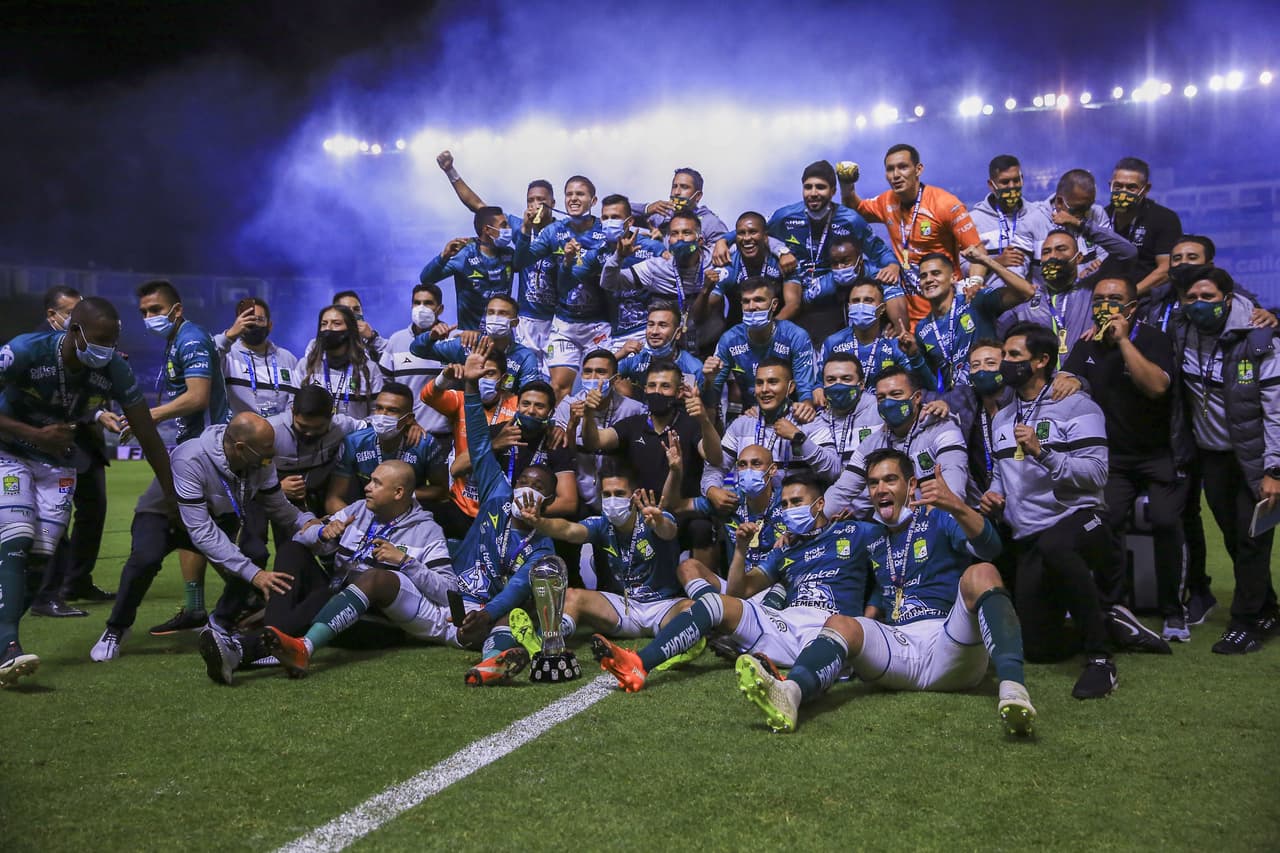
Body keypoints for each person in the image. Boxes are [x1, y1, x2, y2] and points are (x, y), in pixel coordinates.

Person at [735, 449, 1035, 736]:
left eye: (890, 480)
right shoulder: (873, 535)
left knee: (981, 573)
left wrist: (956, 505)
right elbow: (860, 568)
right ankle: (789, 693)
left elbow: (991, 548)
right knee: (840, 622)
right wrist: (794, 535)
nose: (880, 489)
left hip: (949, 642)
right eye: (873, 483)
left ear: (911, 485)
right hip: (900, 647)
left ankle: (1013, 690)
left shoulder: (938, 518)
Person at [0, 298, 176, 685]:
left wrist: (171, 492)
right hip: (9, 451)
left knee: (39, 559)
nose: (106, 349)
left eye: (112, 341)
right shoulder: (24, 351)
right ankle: (8, 646)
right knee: (17, 538)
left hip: (59, 464)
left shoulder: (113, 367)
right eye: (99, 340)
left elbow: (146, 431)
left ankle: (3, 635)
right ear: (73, 331)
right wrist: (34, 434)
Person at [590, 470, 879, 692]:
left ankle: (788, 684)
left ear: (819, 505)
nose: (790, 509)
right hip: (785, 623)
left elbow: (892, 557)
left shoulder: (856, 532)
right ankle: (639, 664)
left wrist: (870, 619)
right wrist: (740, 550)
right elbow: (741, 592)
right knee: (716, 604)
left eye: (797, 502)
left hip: (830, 628)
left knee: (821, 650)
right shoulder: (786, 549)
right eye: (787, 503)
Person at [980, 323, 1129, 698]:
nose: (1005, 363)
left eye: (1015, 356)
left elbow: (1096, 475)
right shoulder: (1002, 417)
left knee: (1056, 545)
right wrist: (994, 495)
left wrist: (1044, 454)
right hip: (1031, 533)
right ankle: (1107, 622)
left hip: (1083, 519)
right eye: (1005, 355)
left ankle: (1101, 660)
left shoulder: (1077, 405)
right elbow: (1001, 473)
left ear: (1042, 360)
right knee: (1039, 649)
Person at [91, 413, 310, 662]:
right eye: (266, 451)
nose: (271, 457)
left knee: (256, 553)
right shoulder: (191, 458)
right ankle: (117, 628)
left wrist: (308, 521)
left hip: (218, 516)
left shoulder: (260, 461)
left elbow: (279, 507)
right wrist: (255, 575)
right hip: (164, 516)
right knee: (144, 559)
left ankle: (220, 624)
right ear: (240, 447)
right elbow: (201, 532)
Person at [224, 461, 456, 684]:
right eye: (370, 481)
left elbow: (448, 590)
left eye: (376, 483)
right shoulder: (359, 509)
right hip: (333, 594)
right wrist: (322, 534)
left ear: (398, 493)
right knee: (292, 550)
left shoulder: (427, 532)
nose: (367, 487)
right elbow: (300, 536)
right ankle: (275, 638)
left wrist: (405, 561)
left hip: (375, 620)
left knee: (327, 597)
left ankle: (246, 648)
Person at [1063, 274, 1189, 641]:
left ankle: (1173, 610)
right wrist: (1071, 379)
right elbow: (1068, 379)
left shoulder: (1153, 339)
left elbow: (1156, 387)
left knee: (1166, 522)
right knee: (1105, 524)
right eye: (1099, 300)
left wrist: (1122, 341)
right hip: (1113, 457)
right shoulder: (1086, 344)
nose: (1105, 306)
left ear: (1132, 308)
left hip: (1158, 453)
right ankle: (1111, 605)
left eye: (1114, 299)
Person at [1170, 267, 1279, 654]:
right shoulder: (1181, 329)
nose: (1199, 305)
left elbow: (1276, 409)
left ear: (1228, 299)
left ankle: (1245, 624)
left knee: (1252, 540)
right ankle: (1267, 606)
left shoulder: (1259, 337)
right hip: (1212, 456)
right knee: (1236, 539)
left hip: (1255, 458)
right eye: (1192, 298)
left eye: (1209, 297)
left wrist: (1274, 469)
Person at [450, 341, 560, 685]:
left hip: (484, 611)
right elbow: (479, 442)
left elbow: (514, 590)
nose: (528, 488)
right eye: (524, 481)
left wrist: (487, 613)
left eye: (538, 488)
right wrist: (469, 385)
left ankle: (491, 664)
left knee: (505, 621)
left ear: (550, 500)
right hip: (452, 594)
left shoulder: (544, 547)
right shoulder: (498, 492)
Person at [136, 279, 232, 635]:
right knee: (192, 526)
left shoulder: (190, 338)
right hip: (193, 448)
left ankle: (250, 596)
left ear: (177, 310)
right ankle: (201, 608)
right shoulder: (176, 339)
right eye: (144, 312)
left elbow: (197, 397)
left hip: (206, 450)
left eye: (156, 310)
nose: (149, 317)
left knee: (156, 512)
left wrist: (148, 415)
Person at [519, 461, 686, 642]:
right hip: (624, 608)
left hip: (663, 607)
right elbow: (568, 530)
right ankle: (548, 641)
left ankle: (682, 646)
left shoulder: (656, 517)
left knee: (691, 609)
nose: (612, 500)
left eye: (620, 494)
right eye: (607, 494)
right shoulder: (601, 524)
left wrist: (659, 523)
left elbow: (668, 531)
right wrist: (540, 521)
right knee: (573, 596)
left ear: (635, 495)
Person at [583, 360, 721, 567]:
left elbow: (714, 457)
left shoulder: (690, 425)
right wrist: (588, 414)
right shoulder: (633, 425)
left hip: (679, 512)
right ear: (645, 389)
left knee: (701, 528)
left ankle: (706, 591)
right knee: (607, 525)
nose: (657, 392)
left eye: (665, 386)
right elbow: (595, 441)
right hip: (638, 513)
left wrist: (704, 421)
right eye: (652, 386)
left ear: (678, 392)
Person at [714, 160, 898, 314]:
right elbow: (756, 230)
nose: (813, 193)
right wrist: (724, 240)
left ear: (833, 191)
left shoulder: (851, 220)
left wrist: (892, 265)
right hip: (794, 292)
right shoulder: (785, 216)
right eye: (808, 187)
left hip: (833, 295)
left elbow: (879, 251)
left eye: (820, 187)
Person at [840, 144, 988, 324]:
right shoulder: (886, 201)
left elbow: (977, 250)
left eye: (902, 167)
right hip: (908, 317)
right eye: (890, 169)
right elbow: (855, 210)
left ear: (918, 169)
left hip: (947, 312)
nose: (895, 175)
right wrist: (847, 184)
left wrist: (975, 281)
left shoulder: (946, 204)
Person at [512, 175, 611, 401]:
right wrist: (526, 231)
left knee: (602, 390)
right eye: (569, 194)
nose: (574, 199)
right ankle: (556, 434)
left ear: (593, 201)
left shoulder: (604, 231)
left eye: (580, 194)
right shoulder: (553, 231)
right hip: (565, 323)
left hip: (598, 324)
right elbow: (520, 262)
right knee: (557, 388)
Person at [824, 366, 969, 517]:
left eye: (896, 394)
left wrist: (933, 524)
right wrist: (815, 521)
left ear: (917, 397)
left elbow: (954, 488)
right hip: (898, 528)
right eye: (881, 398)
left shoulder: (942, 427)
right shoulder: (872, 443)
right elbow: (841, 491)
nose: (888, 403)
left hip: (943, 523)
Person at [702, 359, 840, 499]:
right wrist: (711, 490)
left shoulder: (809, 422)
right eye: (759, 383)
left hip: (793, 512)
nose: (764, 389)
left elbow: (833, 471)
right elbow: (715, 468)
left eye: (773, 382)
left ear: (790, 387)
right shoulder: (742, 425)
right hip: (749, 511)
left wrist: (799, 438)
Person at [913, 247, 1034, 391]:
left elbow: (1026, 292)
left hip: (994, 389)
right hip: (958, 403)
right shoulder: (922, 329)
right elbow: (930, 382)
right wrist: (913, 355)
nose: (929, 280)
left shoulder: (974, 300)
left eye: (936, 273)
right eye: (923, 276)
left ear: (953, 278)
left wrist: (986, 261)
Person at [324, 383, 449, 513]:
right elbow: (333, 499)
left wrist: (401, 495)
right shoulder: (354, 442)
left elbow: (442, 490)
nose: (382, 415)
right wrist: (355, 523)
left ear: (409, 419)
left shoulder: (424, 444)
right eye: (378, 408)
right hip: (366, 512)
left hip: (410, 511)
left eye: (392, 410)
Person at [600, 209, 715, 349]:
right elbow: (608, 283)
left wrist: (723, 240)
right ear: (668, 240)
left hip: (710, 343)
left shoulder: (717, 262)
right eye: (674, 233)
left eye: (686, 233)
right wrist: (618, 257)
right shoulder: (656, 268)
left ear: (700, 240)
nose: (679, 238)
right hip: (669, 346)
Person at [702, 278, 817, 413]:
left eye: (758, 300)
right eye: (746, 301)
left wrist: (805, 410)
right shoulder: (730, 340)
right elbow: (712, 396)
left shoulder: (795, 336)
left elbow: (805, 391)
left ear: (774, 305)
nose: (751, 307)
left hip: (790, 410)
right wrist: (709, 381)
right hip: (749, 413)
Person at [554, 349, 644, 511]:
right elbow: (565, 457)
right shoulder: (567, 406)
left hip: (619, 497)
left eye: (601, 372)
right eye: (588, 372)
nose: (593, 378)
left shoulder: (634, 409)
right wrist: (572, 425)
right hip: (579, 494)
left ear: (615, 379)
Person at [1021, 169, 1136, 287]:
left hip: (1086, 292)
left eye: (1088, 206)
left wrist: (1079, 224)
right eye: (1079, 209)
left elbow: (1126, 252)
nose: (1085, 213)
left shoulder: (1096, 213)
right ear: (1060, 202)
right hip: (1046, 296)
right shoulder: (1031, 221)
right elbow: (1018, 271)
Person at [410, 295, 545, 394]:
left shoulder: (525, 356)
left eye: (502, 313)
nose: (495, 317)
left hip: (504, 419)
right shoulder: (467, 344)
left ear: (515, 322)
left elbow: (529, 394)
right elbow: (417, 350)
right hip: (465, 417)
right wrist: (431, 336)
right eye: (491, 313)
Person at [997, 229, 1096, 365]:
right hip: (1040, 381)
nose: (1052, 256)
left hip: (1082, 378)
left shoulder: (1091, 290)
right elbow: (998, 337)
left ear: (1078, 257)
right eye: (1046, 252)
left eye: (1061, 249)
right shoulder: (1027, 299)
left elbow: (1127, 254)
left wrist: (1082, 225)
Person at [819, 279, 933, 392]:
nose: (861, 306)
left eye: (868, 300)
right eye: (856, 301)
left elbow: (926, 386)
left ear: (882, 308)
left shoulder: (896, 345)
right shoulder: (833, 342)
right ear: (849, 307)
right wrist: (817, 390)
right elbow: (818, 383)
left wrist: (914, 356)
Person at [418, 206, 516, 332]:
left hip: (502, 335)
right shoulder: (465, 254)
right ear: (487, 229)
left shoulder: (509, 253)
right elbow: (426, 279)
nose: (509, 229)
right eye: (504, 226)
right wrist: (444, 256)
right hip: (470, 338)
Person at [699, 211, 799, 332]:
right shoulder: (728, 267)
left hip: (778, 330)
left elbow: (793, 305)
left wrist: (768, 331)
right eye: (741, 233)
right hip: (739, 335)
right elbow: (699, 317)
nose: (747, 238)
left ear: (765, 237)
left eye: (753, 232)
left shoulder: (783, 261)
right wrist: (705, 291)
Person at [592, 193, 666, 350]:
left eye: (615, 217)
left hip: (648, 332)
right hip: (614, 335)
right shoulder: (596, 251)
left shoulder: (652, 248)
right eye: (605, 218)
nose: (609, 222)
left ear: (630, 221)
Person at [378, 282, 451, 439]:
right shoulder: (396, 340)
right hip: (405, 433)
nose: (421, 308)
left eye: (428, 303)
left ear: (440, 309)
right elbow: (386, 387)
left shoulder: (454, 340)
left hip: (445, 434)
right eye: (417, 303)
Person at [1104, 157, 1184, 297]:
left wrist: (1128, 295)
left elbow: (1166, 269)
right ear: (1110, 185)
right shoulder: (1100, 217)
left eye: (1131, 187)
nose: (1123, 192)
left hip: (1146, 299)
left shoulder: (1164, 218)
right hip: (1103, 299)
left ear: (1146, 189)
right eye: (1118, 186)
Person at [216, 297, 300, 418]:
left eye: (259, 320)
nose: (254, 324)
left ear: (269, 325)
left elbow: (295, 399)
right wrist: (229, 335)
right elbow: (207, 355)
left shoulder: (287, 358)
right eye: (248, 319)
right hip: (239, 432)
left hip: (278, 432)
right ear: (238, 323)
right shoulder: (228, 355)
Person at [297, 304, 383, 419]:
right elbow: (293, 406)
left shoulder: (370, 369)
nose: (328, 328)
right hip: (315, 434)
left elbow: (377, 412)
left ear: (350, 330)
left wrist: (358, 432)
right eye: (324, 324)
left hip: (355, 435)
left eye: (336, 323)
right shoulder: (306, 365)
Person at [968, 154, 1037, 278]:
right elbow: (963, 269)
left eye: (1016, 180)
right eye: (1005, 182)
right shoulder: (974, 221)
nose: (1012, 187)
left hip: (1032, 294)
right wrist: (997, 262)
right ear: (991, 185)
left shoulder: (1035, 214)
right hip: (993, 295)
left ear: (1022, 179)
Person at [614, 303, 704, 396]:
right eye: (651, 325)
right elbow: (603, 375)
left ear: (677, 333)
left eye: (662, 325)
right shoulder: (638, 358)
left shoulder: (694, 369)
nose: (654, 331)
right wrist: (621, 353)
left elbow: (707, 407)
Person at [814, 353, 880, 469]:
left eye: (846, 379)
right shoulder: (817, 420)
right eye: (831, 380)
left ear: (861, 384)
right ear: (823, 386)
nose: (838, 385)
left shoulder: (880, 411)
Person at [632, 167, 730, 244]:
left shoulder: (711, 223)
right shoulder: (662, 215)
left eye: (684, 187)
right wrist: (646, 209)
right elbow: (620, 212)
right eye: (674, 186)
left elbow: (725, 257)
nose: (677, 192)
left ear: (698, 196)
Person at [330, 290, 388, 361]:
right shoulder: (319, 345)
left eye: (356, 309)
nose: (352, 314)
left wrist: (372, 338)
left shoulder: (371, 342)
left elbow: (394, 356)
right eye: (346, 310)